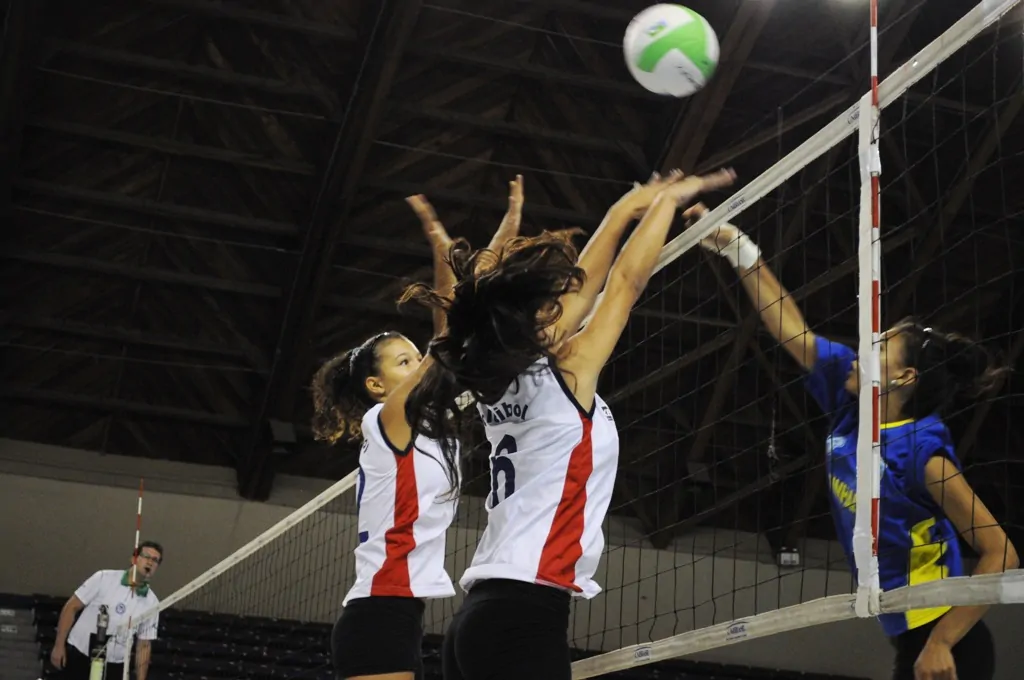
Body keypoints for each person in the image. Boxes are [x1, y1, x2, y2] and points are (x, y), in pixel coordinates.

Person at [400, 169, 736, 680]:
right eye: (550, 306)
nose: (563, 306)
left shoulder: (496, 379)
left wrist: (625, 209)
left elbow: (589, 281)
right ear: (535, 322)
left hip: (483, 617)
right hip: (523, 617)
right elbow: (624, 282)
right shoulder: (566, 372)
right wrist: (667, 202)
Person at [692, 204, 1019, 680]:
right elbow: (791, 329)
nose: (866, 346)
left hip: (947, 643)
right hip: (911, 637)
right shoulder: (851, 403)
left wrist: (943, 641)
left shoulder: (923, 452)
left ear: (904, 377)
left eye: (880, 346)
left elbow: (1001, 553)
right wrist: (736, 248)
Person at [312, 177, 524, 680]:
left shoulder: (431, 425)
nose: (418, 363)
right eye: (403, 361)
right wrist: (446, 255)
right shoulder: (385, 422)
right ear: (376, 385)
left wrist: (505, 228)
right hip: (377, 615)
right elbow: (447, 336)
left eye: (415, 356)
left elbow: (449, 332)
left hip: (402, 617)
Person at [50, 541, 163, 680]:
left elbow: (144, 645)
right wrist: (59, 646)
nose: (150, 562)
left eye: (155, 560)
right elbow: (71, 607)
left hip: (114, 666)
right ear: (134, 559)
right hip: (80, 655)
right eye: (146, 557)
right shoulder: (103, 578)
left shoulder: (152, 602)